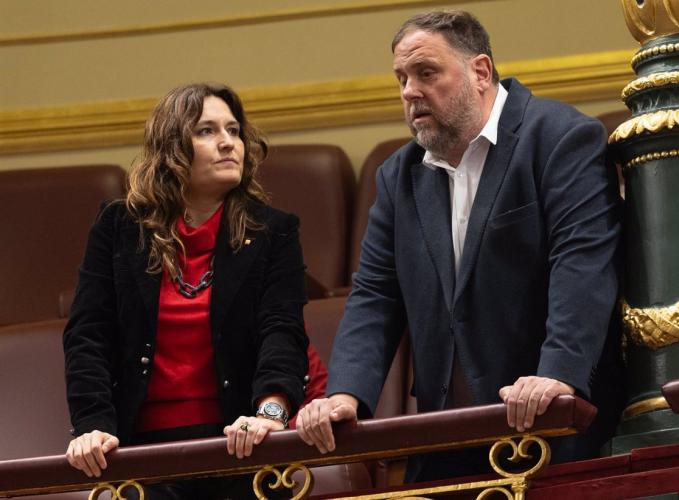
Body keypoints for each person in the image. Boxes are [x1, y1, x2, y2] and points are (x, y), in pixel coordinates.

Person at [296, 10, 624, 481]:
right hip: (447, 439)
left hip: (552, 426)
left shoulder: (559, 138)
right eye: (402, 78)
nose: (409, 91)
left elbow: (583, 262)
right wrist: (345, 394)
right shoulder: (398, 176)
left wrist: (558, 375)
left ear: (481, 72)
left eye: (426, 73)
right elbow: (375, 295)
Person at [63, 82, 309, 498]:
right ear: (171, 148)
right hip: (140, 453)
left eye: (234, 130)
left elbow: (281, 331)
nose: (228, 142)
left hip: (242, 445)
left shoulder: (274, 231)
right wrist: (92, 426)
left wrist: (271, 414)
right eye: (207, 131)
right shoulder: (119, 227)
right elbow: (88, 335)